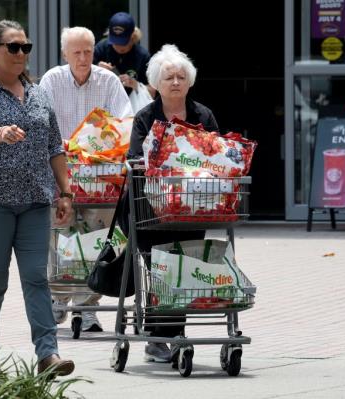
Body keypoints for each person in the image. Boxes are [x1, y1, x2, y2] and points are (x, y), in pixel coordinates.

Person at [0, 19, 74, 377]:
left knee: (36, 279)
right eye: (13, 47)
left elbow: (54, 146)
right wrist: (0, 132)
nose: (21, 53)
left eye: (25, 47)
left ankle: (47, 355)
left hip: (35, 202)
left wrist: (66, 192)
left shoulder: (40, 94)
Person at [124, 44, 219, 362]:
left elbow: (218, 154)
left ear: (189, 82)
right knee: (162, 268)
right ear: (156, 83)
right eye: (169, 77)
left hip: (192, 206)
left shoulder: (203, 115)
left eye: (181, 76)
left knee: (185, 265)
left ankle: (170, 335)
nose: (175, 82)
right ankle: (161, 336)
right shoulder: (145, 117)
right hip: (152, 207)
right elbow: (134, 157)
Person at [39, 26, 132, 333]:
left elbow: (125, 119)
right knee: (59, 236)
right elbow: (41, 122)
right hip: (61, 172)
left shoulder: (107, 81)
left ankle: (88, 307)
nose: (82, 58)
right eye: (76, 52)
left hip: (99, 175)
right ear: (65, 54)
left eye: (88, 52)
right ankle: (58, 298)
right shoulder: (52, 80)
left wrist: (103, 144)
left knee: (98, 238)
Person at [94, 12, 156, 107]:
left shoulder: (142, 56)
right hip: (102, 106)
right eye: (114, 41)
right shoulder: (101, 48)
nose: (118, 46)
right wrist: (96, 69)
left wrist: (134, 84)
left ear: (132, 36)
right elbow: (81, 77)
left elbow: (152, 92)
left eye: (122, 42)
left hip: (131, 108)